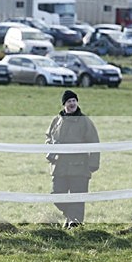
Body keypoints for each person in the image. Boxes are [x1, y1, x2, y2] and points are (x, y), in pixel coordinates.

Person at [45, 90, 100, 228]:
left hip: (79, 167)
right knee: (57, 196)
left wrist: (93, 164)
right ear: (64, 104)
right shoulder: (56, 120)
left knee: (77, 198)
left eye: (74, 101)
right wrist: (50, 152)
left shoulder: (85, 121)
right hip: (59, 167)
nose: (72, 103)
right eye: (69, 101)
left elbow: (94, 142)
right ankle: (70, 217)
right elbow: (48, 139)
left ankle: (75, 226)